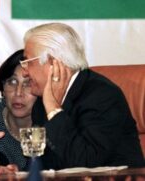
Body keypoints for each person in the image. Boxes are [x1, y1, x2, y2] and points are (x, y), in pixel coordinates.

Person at [20, 22, 144, 169]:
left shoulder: (102, 96)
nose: (24, 72)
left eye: (27, 63)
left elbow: (85, 164)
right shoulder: (42, 103)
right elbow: (39, 162)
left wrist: (54, 109)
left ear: (53, 62)